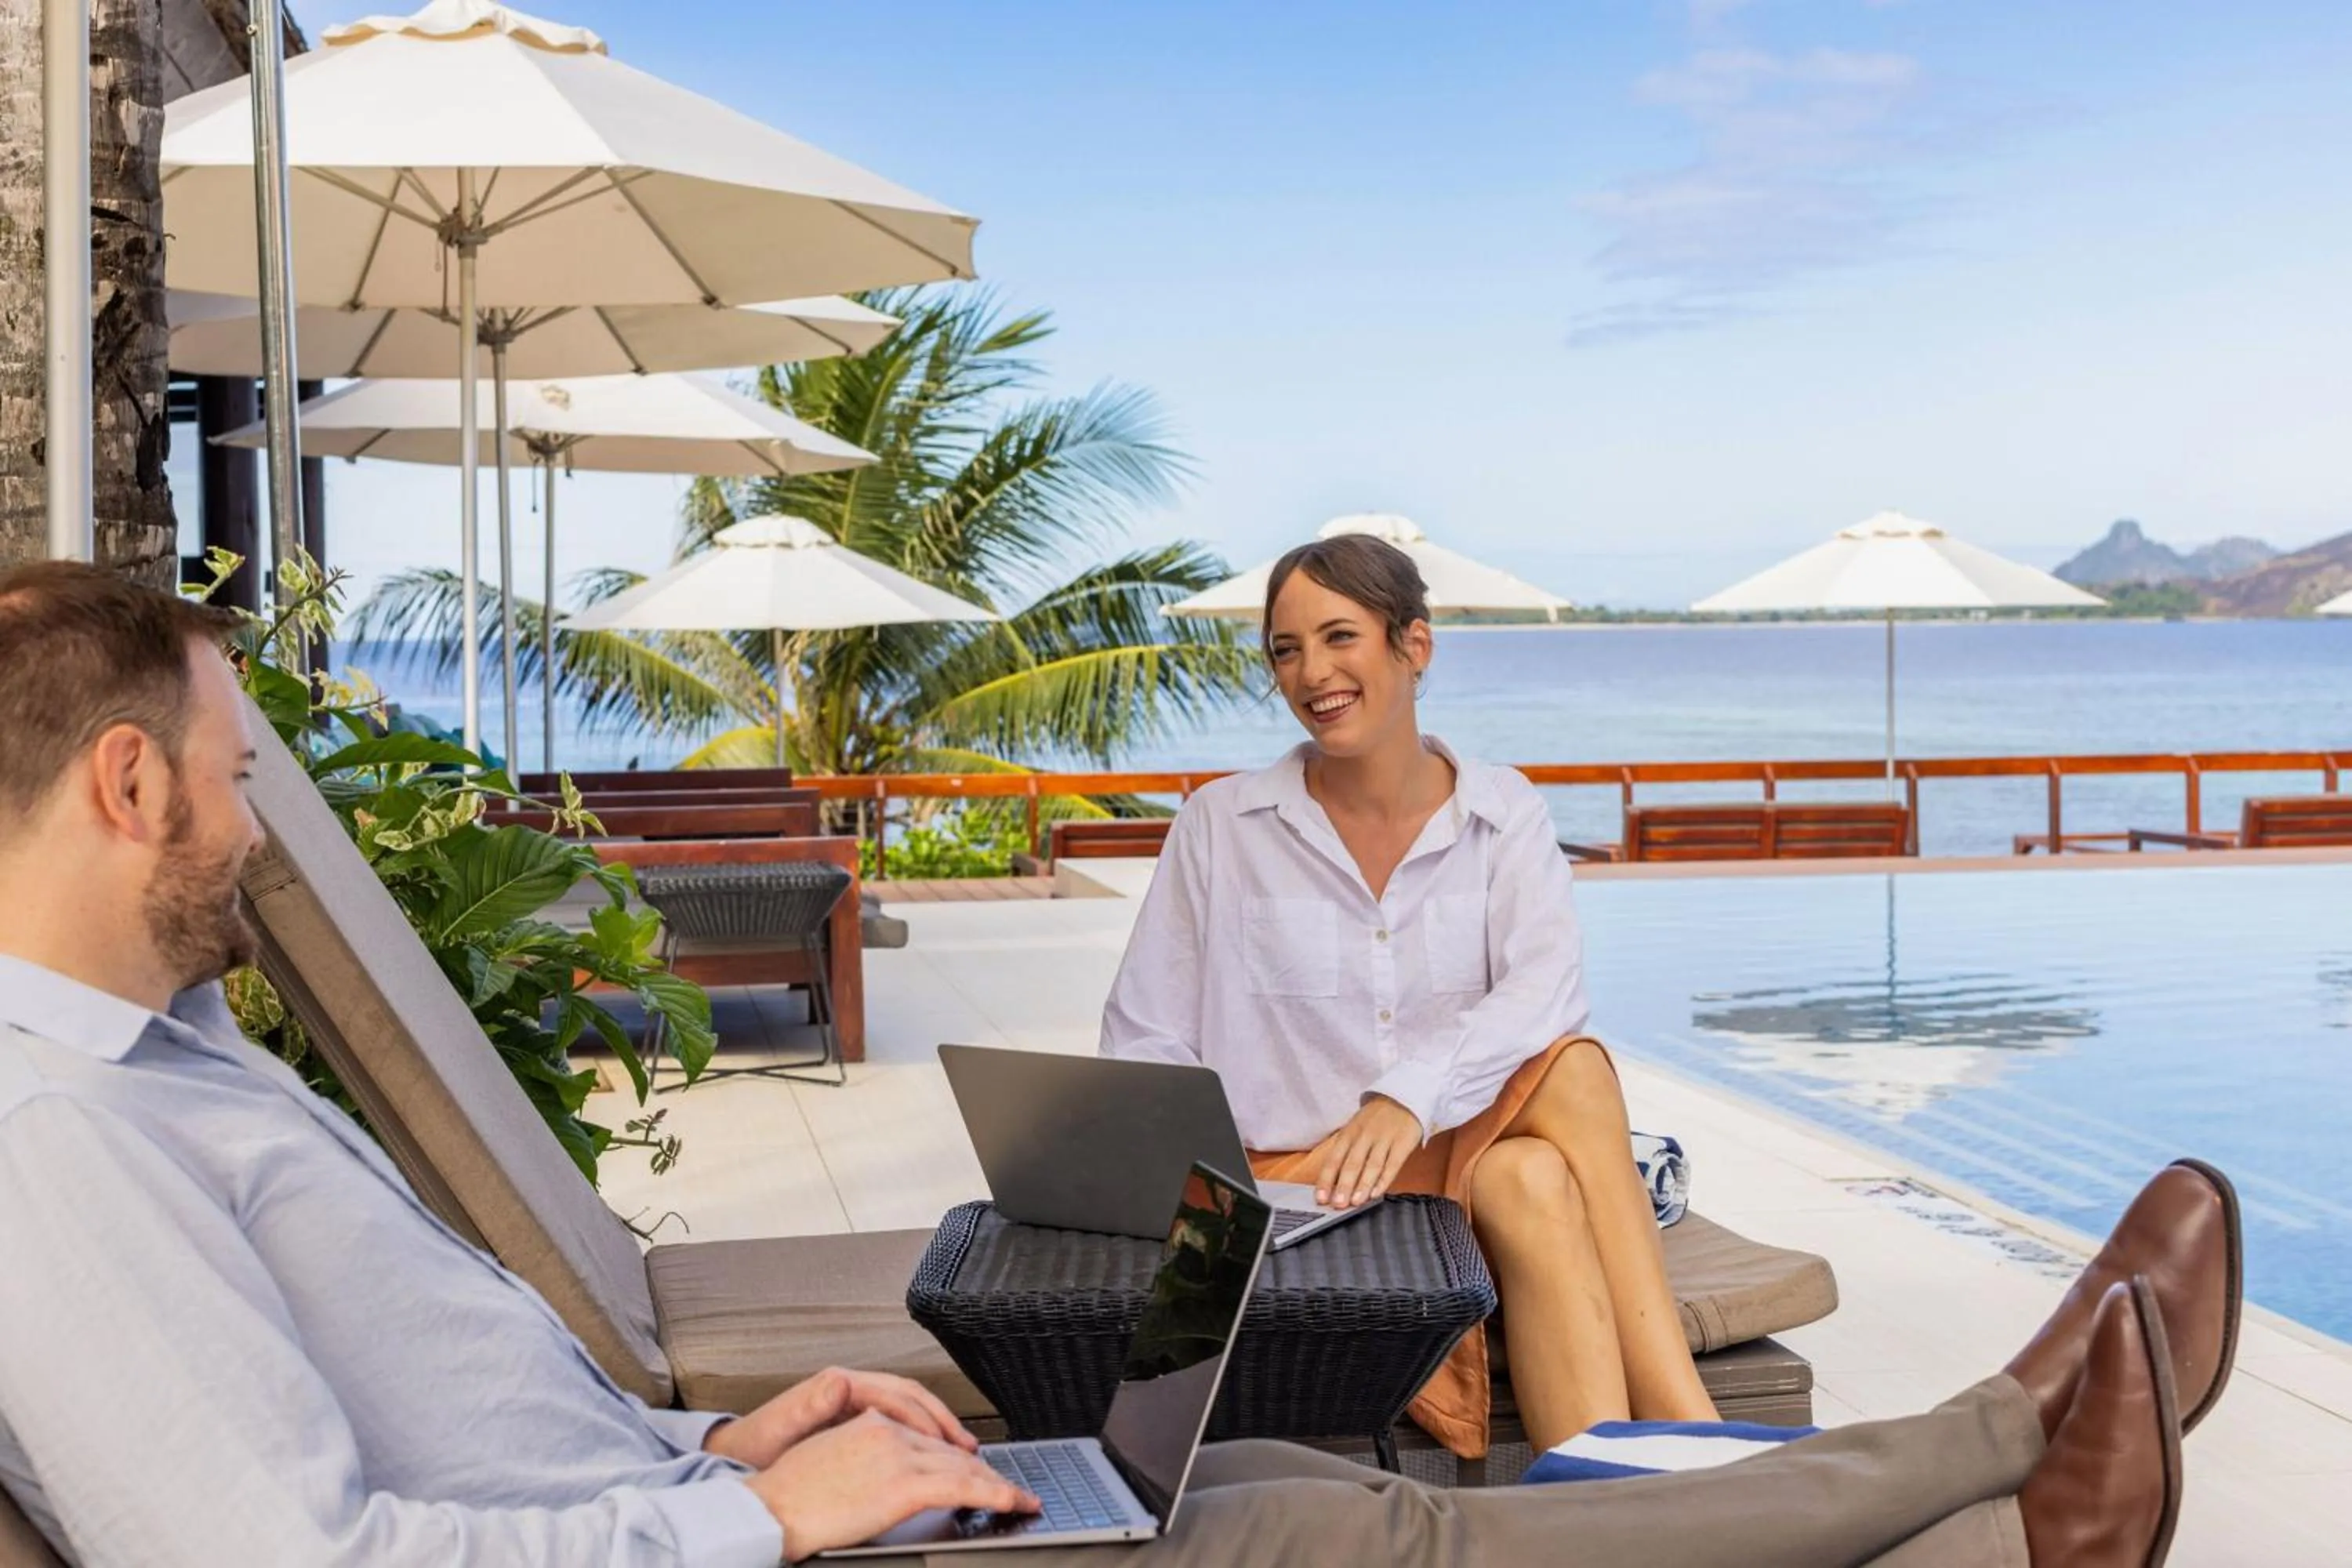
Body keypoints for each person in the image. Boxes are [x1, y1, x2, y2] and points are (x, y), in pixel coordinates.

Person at [0, 561, 2237, 1568]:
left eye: (1335, 644)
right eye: (230, 771)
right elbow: (276, 1550)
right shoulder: (53, 1134)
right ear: (125, 791)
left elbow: (1525, 1007)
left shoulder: (165, 1066)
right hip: (1241, 1203)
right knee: (1367, 1482)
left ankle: (1868, 1476)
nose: (257, 815)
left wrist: (708, 1433)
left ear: (1412, 654)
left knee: (1513, 1157)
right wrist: (743, 1515)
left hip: (1401, 1189)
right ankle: (2003, 1454)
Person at [1101, 532, 1708, 1456]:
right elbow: (1142, 1038)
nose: (1312, 671)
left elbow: (1547, 989)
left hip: (1438, 1161)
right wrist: (1208, 1200)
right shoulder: (1221, 825)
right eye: (1286, 648)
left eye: (1340, 636)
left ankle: (1614, 1511)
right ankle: (1694, 1433)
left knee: (1541, 1142)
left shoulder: (1503, 811)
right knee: (1566, 1096)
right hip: (1293, 1181)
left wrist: (1407, 1096)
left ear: (1413, 646)